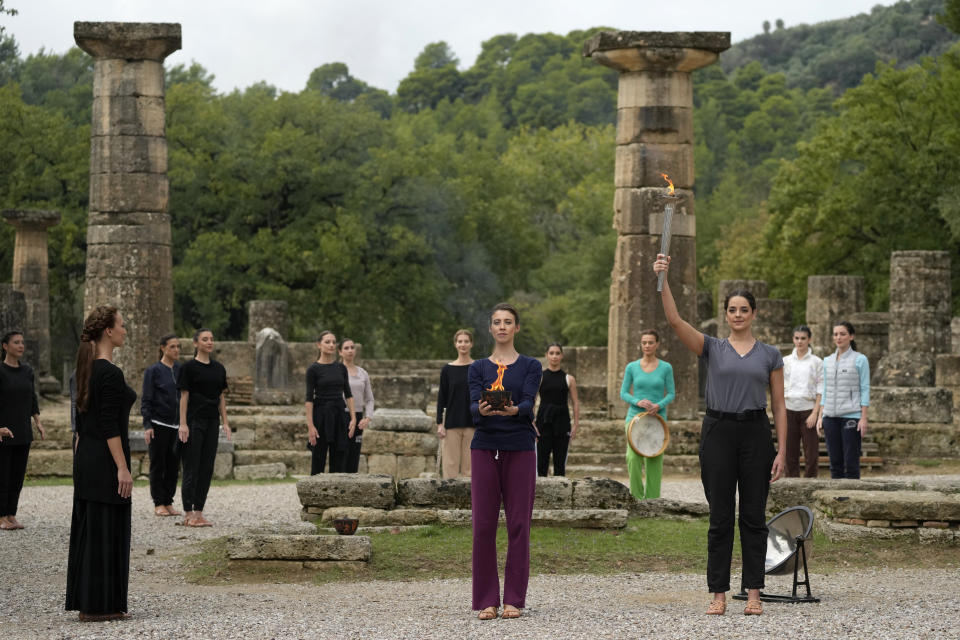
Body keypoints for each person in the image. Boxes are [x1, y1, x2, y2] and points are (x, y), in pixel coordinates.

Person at [653, 254, 786, 617]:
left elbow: (778, 405)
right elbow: (675, 320)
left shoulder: (771, 355)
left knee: (754, 516)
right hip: (718, 431)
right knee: (721, 517)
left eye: (744, 309)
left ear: (753, 314)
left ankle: (754, 591)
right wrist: (662, 278)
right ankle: (718, 593)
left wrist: (782, 451)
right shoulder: (712, 347)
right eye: (732, 309)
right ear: (726, 314)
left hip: (756, 433)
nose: (738, 314)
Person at [468, 303, 542, 621]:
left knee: (519, 525)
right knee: (483, 526)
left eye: (508, 322)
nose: (502, 327)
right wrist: (482, 410)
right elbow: (472, 404)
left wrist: (514, 410)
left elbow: (527, 401)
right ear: (490, 328)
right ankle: (487, 600)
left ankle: (513, 599)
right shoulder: (478, 367)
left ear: (516, 328)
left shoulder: (530, 365)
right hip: (485, 447)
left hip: (520, 447)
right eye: (496, 322)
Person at [65, 306, 136, 621]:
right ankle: (98, 606)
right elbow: (109, 425)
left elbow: (83, 425)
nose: (124, 329)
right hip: (105, 460)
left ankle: (93, 603)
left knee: (94, 528)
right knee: (104, 528)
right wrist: (122, 467)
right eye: (121, 325)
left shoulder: (85, 369)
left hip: (87, 457)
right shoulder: (108, 372)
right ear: (108, 330)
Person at [177, 328, 231, 527]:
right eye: (205, 339)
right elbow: (184, 396)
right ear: (196, 343)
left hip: (211, 421)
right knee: (192, 466)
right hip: (193, 421)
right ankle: (188, 513)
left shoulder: (219, 368)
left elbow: (221, 397)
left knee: (207, 467)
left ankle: (199, 512)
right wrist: (182, 424)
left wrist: (225, 422)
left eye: (211, 339)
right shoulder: (188, 368)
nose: (209, 342)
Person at [619, 330, 675, 499]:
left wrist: (659, 405)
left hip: (657, 419)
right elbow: (623, 393)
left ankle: (652, 501)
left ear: (657, 344)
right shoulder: (632, 367)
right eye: (644, 343)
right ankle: (636, 498)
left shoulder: (666, 367)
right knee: (632, 458)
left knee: (654, 461)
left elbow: (671, 393)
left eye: (651, 342)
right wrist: (637, 401)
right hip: (634, 418)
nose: (647, 346)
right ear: (641, 345)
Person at [0, 330, 45, 530]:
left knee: (17, 476)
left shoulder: (27, 371)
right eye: (16, 342)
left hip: (23, 431)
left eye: (22, 342)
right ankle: (1, 516)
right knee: (3, 475)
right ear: (5, 346)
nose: (21, 346)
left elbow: (32, 399)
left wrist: (38, 422)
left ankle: (11, 514)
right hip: (3, 432)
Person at [816, 321, 869, 479]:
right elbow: (825, 389)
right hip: (830, 417)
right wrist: (820, 416)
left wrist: (863, 418)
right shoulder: (827, 361)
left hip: (851, 416)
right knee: (835, 463)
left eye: (843, 334)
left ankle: (852, 498)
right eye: (836, 334)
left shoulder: (860, 360)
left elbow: (865, 388)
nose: (838, 337)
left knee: (851, 462)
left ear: (851, 336)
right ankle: (836, 499)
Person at [141, 334, 183, 516]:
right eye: (172, 346)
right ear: (163, 348)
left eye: (178, 346)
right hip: (158, 424)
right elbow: (147, 399)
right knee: (158, 464)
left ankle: (168, 500)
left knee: (173, 466)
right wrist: (147, 424)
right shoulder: (153, 371)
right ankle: (158, 502)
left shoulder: (181, 370)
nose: (176, 350)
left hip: (177, 425)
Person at [306, 331, 356, 474]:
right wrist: (310, 426)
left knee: (339, 458)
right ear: (319, 345)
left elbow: (348, 394)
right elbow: (309, 399)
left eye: (334, 342)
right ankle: (314, 494)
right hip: (320, 416)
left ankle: (337, 494)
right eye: (327, 342)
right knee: (318, 457)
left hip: (339, 416)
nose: (331, 345)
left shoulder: (341, 368)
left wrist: (353, 418)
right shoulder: (313, 369)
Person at [783, 326, 823, 478]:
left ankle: (810, 484)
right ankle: (791, 484)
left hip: (808, 410)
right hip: (789, 409)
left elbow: (821, 388)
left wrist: (815, 413)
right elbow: (779, 387)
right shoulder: (785, 361)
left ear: (809, 340)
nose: (800, 342)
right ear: (793, 339)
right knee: (790, 452)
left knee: (811, 453)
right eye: (797, 338)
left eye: (803, 338)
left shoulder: (817, 362)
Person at [535, 343, 579, 477]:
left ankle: (560, 496)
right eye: (551, 353)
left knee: (560, 464)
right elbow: (531, 401)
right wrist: (531, 423)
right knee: (541, 463)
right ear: (546, 355)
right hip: (543, 422)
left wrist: (576, 425)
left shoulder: (569, 379)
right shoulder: (539, 377)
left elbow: (575, 402)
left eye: (557, 353)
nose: (554, 356)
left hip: (562, 422)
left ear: (562, 356)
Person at [436, 329, 475, 478]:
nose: (463, 344)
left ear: (471, 344)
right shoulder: (447, 370)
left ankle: (471, 501)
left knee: (470, 469)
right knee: (450, 467)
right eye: (460, 341)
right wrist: (440, 423)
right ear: (455, 344)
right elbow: (442, 397)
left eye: (466, 341)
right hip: (451, 423)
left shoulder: (478, 368)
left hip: (472, 423)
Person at [339, 338, 373, 473]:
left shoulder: (363, 373)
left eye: (352, 347)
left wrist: (367, 418)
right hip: (341, 416)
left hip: (358, 417)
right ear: (340, 352)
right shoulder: (336, 371)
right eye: (346, 348)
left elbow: (369, 399)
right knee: (341, 453)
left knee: (354, 454)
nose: (350, 351)